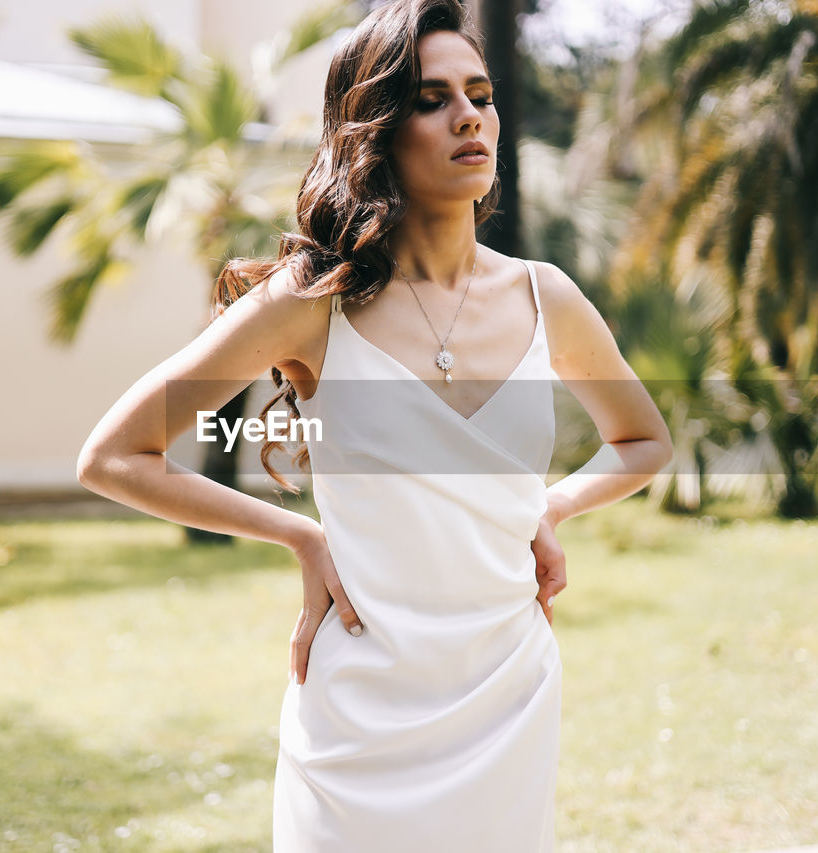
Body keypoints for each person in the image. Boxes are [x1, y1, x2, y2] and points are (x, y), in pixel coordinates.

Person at [76, 0, 673, 849]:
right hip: (357, 727)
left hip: (508, 697)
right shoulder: (313, 305)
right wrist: (300, 538)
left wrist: (552, 506)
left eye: (482, 92)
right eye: (432, 99)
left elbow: (644, 438)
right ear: (378, 131)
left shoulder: (548, 298)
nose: (470, 116)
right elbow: (114, 455)